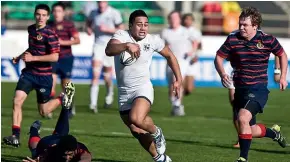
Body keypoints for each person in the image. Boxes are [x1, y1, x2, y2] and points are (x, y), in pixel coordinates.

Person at [105, 9, 182, 162]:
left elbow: (169, 55)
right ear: (130, 25)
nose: (143, 28)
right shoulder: (121, 36)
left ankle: (156, 132)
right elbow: (109, 50)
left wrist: (178, 79)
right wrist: (127, 45)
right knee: (136, 129)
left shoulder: (153, 40)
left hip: (142, 88)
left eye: (146, 25)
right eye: (139, 24)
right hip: (124, 92)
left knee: (136, 118)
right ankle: (159, 158)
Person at [214, 6, 288, 162]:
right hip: (240, 88)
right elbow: (219, 58)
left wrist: (282, 76)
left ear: (255, 26)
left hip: (258, 88)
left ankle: (243, 158)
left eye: (245, 25)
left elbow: (281, 54)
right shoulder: (233, 38)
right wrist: (222, 74)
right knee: (250, 128)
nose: (241, 27)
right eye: (240, 24)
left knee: (242, 118)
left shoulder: (267, 39)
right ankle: (274, 134)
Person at [2, 4, 74, 148]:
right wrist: (20, 56)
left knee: (44, 111)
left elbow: (54, 57)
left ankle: (62, 98)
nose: (40, 17)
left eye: (43, 15)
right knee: (17, 100)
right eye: (38, 14)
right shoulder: (31, 29)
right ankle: (15, 136)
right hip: (29, 74)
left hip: (44, 77)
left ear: (48, 17)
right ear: (35, 14)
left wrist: (33, 59)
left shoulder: (51, 34)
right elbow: (33, 48)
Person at [22, 84, 91, 162]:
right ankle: (33, 130)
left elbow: (86, 159)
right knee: (35, 152)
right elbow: (40, 159)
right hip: (46, 143)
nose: (67, 158)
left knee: (61, 134)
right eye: (65, 154)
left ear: (75, 150)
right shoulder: (50, 151)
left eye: (70, 154)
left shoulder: (81, 150)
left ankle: (65, 107)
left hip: (60, 139)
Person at [86, 1, 124, 113]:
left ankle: (109, 93)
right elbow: (88, 23)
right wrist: (88, 29)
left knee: (107, 76)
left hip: (111, 47)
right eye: (99, 2)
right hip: (98, 46)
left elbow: (121, 30)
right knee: (95, 74)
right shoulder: (93, 13)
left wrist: (107, 29)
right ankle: (93, 104)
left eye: (103, 2)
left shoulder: (114, 13)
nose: (101, 4)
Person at [161, 11, 196, 116]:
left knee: (177, 81)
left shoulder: (186, 31)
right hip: (170, 60)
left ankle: (177, 105)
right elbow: (162, 45)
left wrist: (192, 52)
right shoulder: (165, 32)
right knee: (171, 85)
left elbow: (195, 42)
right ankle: (175, 104)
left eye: (175, 18)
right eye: (171, 18)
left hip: (182, 60)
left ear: (179, 19)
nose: (173, 20)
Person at [49, 2, 80, 117]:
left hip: (66, 57)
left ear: (63, 12)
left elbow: (77, 40)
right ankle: (49, 109)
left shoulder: (69, 25)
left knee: (65, 84)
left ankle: (69, 106)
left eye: (59, 11)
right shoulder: (49, 25)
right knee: (51, 82)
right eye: (55, 11)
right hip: (52, 58)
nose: (57, 13)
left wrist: (62, 42)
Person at [181, 13, 202, 96]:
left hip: (191, 60)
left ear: (192, 21)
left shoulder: (196, 32)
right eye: (186, 19)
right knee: (180, 83)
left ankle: (181, 95)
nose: (188, 21)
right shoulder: (179, 30)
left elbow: (200, 45)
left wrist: (196, 55)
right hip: (181, 59)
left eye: (190, 19)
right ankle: (177, 103)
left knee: (189, 89)